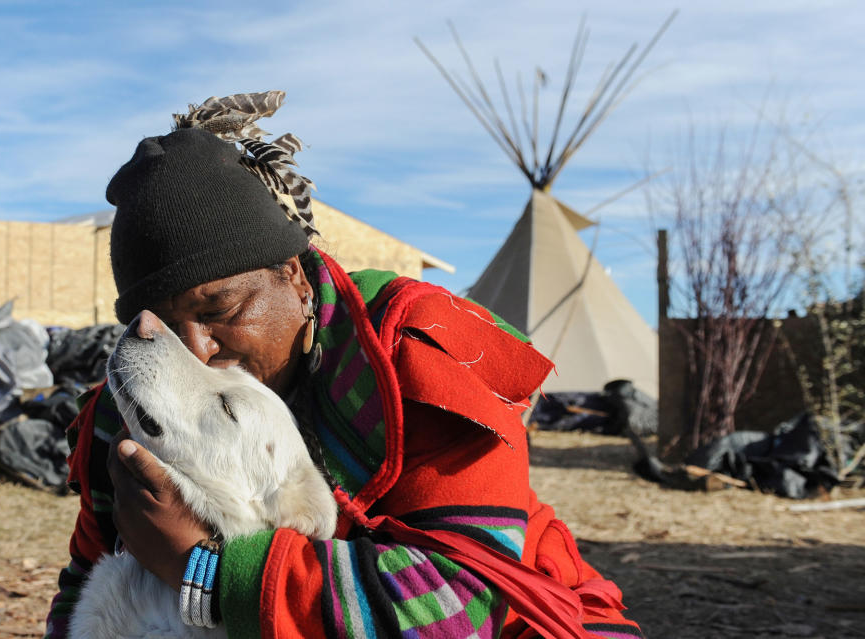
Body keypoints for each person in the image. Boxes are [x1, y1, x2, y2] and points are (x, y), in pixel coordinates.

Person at [45, 98, 644, 638]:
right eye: (168, 331)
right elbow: (87, 576)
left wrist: (199, 567)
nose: (196, 351)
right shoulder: (137, 406)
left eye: (220, 309)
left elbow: (459, 607)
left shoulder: (415, 357)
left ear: (296, 279)